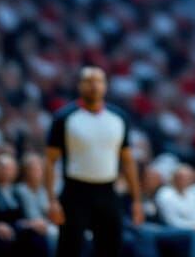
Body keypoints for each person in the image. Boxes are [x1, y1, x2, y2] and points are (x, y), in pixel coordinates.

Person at [45, 66, 143, 257]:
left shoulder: (119, 117)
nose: (94, 86)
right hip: (74, 192)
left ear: (105, 86)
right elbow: (49, 161)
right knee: (68, 248)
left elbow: (128, 162)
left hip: (108, 191)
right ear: (80, 85)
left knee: (111, 248)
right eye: (89, 81)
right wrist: (52, 200)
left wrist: (137, 200)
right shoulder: (64, 117)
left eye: (98, 81)